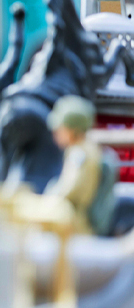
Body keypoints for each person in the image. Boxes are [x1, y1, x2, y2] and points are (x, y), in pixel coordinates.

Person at [45, 95, 110, 235]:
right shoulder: (85, 148)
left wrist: (47, 199)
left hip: (77, 225)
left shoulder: (79, 153)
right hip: (76, 219)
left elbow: (69, 190)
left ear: (72, 130)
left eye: (60, 128)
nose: (56, 133)